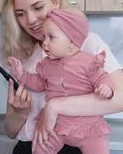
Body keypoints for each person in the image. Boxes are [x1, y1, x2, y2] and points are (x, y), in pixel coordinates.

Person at [0, 0, 123, 154]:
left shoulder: (86, 42)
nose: (31, 20)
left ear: (56, 0)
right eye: (20, 13)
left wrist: (54, 107)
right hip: (28, 148)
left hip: (72, 147)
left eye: (38, 7)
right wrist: (19, 113)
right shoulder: (21, 54)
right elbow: (10, 130)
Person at [8, 9, 114, 154]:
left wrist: (106, 87)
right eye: (44, 37)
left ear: (72, 40)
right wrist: (21, 74)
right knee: (40, 148)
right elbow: (38, 83)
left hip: (88, 128)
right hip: (57, 126)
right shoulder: (47, 64)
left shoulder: (89, 61)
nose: (44, 43)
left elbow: (103, 77)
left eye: (51, 37)